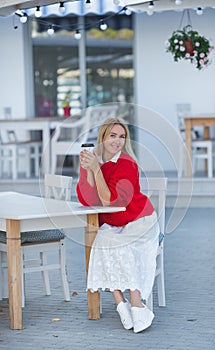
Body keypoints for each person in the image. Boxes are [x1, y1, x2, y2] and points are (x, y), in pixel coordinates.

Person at [76, 117, 160, 333]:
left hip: (139, 220)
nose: (117, 141)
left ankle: (135, 301)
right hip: (115, 223)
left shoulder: (127, 164)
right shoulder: (95, 161)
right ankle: (120, 303)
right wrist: (88, 170)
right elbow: (87, 199)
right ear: (102, 138)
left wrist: (96, 171)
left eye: (122, 136)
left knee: (121, 245)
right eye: (112, 135)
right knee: (102, 243)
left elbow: (113, 202)